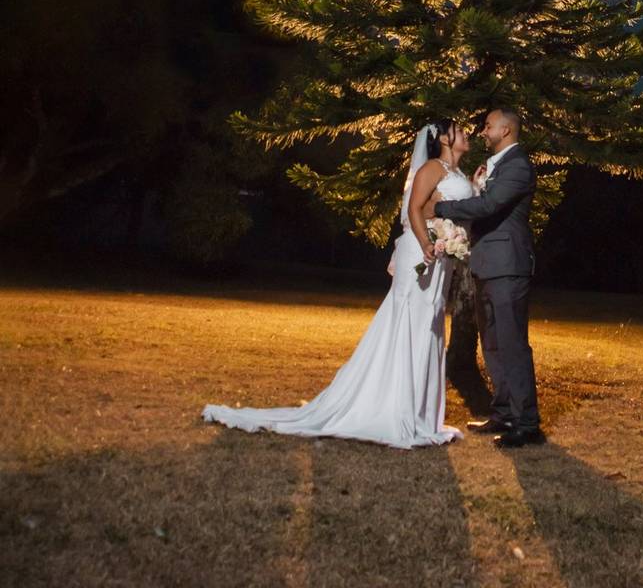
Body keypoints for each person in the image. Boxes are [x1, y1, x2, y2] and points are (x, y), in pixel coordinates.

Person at [201, 120, 476, 449]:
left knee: (429, 327)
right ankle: (394, 409)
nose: (467, 133)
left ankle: (421, 414)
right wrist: (426, 241)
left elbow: (459, 207)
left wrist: (471, 197)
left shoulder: (459, 173)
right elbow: (414, 208)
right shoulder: (432, 168)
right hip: (422, 252)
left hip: (442, 258)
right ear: (445, 138)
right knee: (407, 324)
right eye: (460, 130)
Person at [425, 108, 544, 448]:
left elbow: (491, 207)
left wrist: (442, 208)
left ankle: (526, 423)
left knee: (512, 344)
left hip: (508, 265)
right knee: (492, 344)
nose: (483, 130)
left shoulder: (518, 165)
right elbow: (486, 201)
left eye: (489, 125)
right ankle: (504, 412)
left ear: (506, 130)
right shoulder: (497, 166)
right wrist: (476, 188)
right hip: (487, 264)